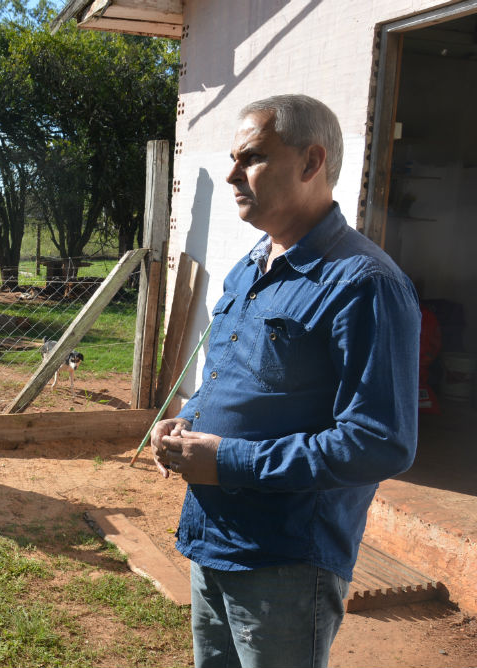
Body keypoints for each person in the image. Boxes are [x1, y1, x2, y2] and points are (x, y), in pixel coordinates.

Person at [150, 94, 420, 668]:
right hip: (214, 539)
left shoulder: (364, 283)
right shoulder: (250, 265)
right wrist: (188, 419)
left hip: (286, 560)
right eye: (233, 158)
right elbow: (241, 379)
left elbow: (381, 441)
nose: (231, 175)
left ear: (310, 161)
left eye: (251, 158)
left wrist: (228, 461)